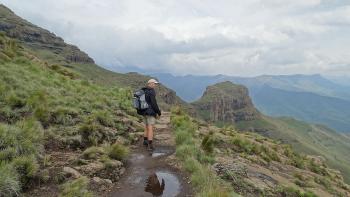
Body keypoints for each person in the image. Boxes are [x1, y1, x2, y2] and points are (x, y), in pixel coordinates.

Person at [142, 79, 161, 151]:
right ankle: (150, 145)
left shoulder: (144, 90)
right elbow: (154, 103)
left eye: (155, 84)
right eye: (154, 83)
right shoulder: (152, 91)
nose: (155, 85)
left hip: (144, 111)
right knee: (150, 128)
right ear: (150, 83)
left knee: (146, 127)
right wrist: (158, 112)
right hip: (150, 112)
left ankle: (145, 141)